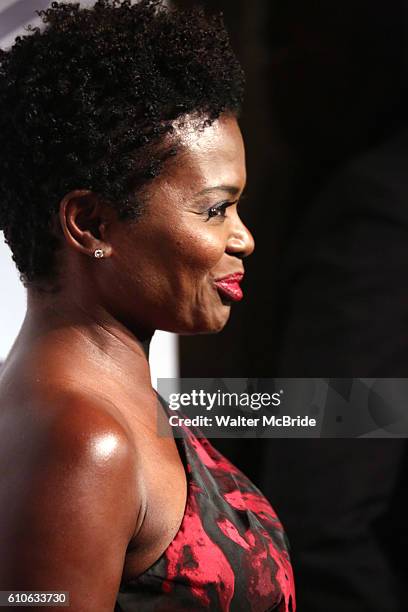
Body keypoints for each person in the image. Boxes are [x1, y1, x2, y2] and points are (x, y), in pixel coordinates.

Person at [0, 1, 295, 610]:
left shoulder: (104, 410)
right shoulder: (82, 442)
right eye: (214, 209)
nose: (244, 239)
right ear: (91, 224)